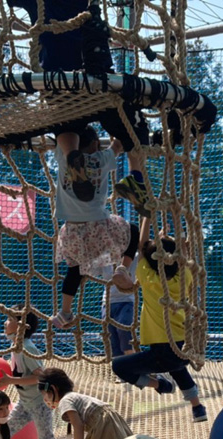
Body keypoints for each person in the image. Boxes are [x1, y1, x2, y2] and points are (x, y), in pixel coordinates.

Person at [50, 125, 144, 329]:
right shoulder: (101, 159)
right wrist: (115, 142)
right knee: (133, 231)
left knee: (74, 270)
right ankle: (123, 268)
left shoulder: (65, 158)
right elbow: (118, 145)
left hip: (72, 230)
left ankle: (65, 311)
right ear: (94, 144)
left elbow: (63, 140)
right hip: (99, 226)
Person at [111, 232, 208, 423]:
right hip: (183, 345)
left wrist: (147, 219)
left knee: (119, 366)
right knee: (177, 367)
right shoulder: (184, 277)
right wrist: (172, 242)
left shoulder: (149, 280)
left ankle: (160, 384)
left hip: (161, 352)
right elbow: (182, 257)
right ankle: (197, 407)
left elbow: (141, 246)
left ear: (152, 262)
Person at [0, 310, 64, 439]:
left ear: (21, 326)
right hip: (25, 402)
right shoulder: (16, 346)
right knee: (2, 433)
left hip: (40, 403)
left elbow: (41, 377)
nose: (5, 323)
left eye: (9, 319)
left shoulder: (26, 347)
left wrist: (11, 380)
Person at [101, 256, 139, 371]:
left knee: (125, 332)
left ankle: (133, 366)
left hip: (126, 301)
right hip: (107, 302)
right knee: (111, 337)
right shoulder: (106, 257)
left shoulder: (134, 256)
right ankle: (120, 370)